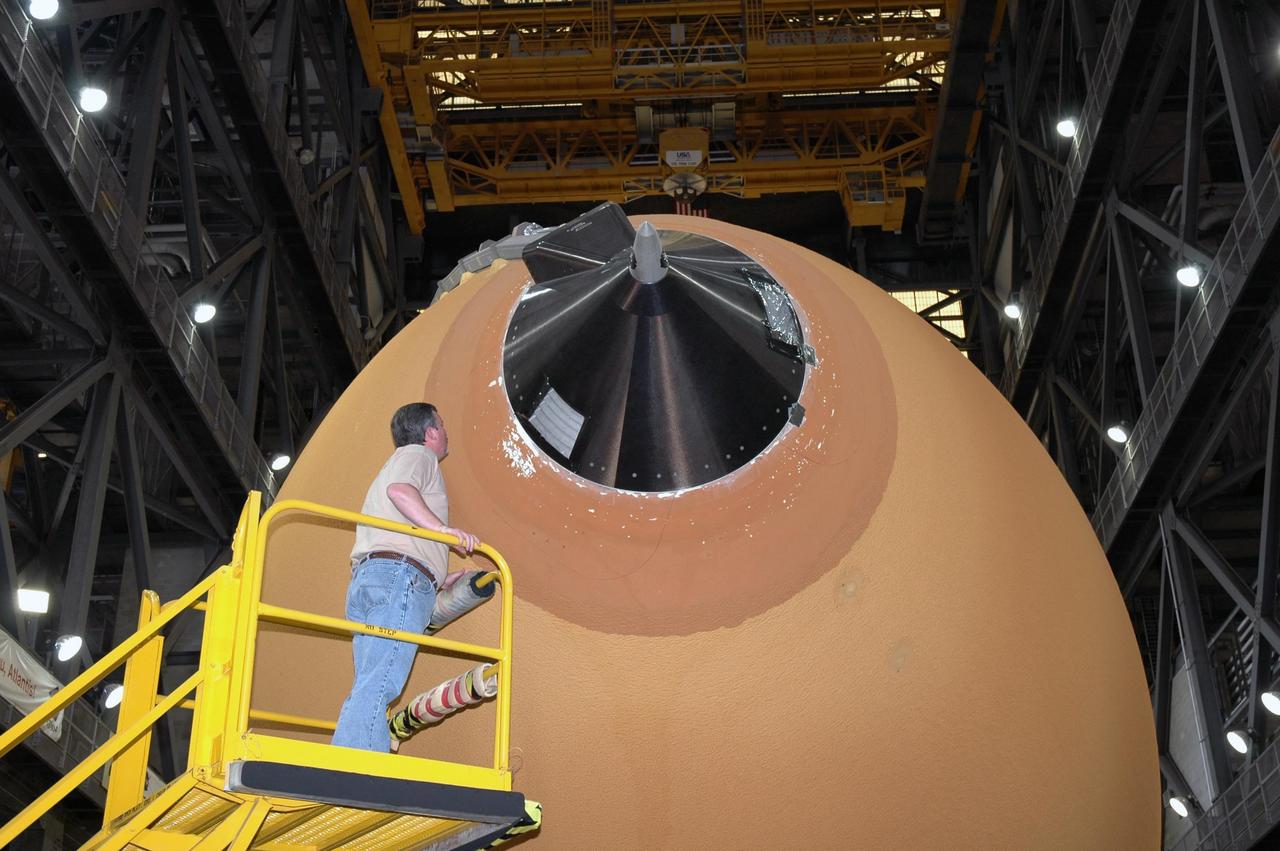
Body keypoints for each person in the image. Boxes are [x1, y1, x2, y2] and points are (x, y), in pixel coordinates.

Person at [332, 402, 479, 752]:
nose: (446, 433)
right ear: (430, 433)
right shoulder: (418, 456)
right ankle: (358, 768)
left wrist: (438, 577)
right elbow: (400, 492)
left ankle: (351, 755)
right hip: (399, 578)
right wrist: (445, 532)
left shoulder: (396, 462)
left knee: (371, 680)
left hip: (379, 577)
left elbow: (399, 521)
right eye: (442, 426)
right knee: (381, 681)